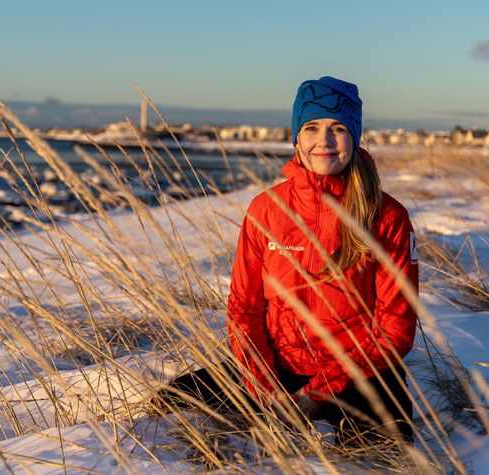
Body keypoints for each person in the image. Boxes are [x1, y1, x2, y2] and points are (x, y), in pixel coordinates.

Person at [163, 76, 418, 445]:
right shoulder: (267, 210)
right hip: (278, 368)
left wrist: (317, 394)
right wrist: (266, 388)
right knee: (171, 404)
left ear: (355, 136)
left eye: (338, 128)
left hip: (358, 376)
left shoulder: (387, 216)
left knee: (384, 454)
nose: (324, 141)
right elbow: (244, 308)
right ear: (296, 136)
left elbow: (394, 328)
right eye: (311, 127)